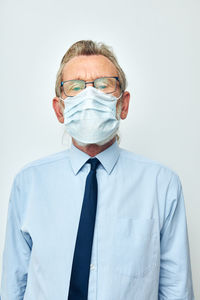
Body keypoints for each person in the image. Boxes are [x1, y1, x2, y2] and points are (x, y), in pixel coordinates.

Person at [0, 40, 195, 300]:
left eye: (104, 85)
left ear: (123, 104)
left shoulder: (162, 185)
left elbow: (176, 290)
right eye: (76, 87)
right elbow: (13, 285)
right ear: (60, 110)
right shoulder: (29, 183)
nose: (89, 96)